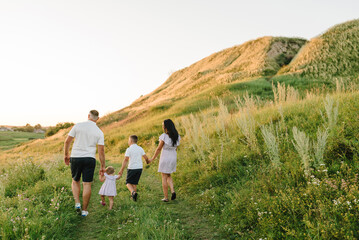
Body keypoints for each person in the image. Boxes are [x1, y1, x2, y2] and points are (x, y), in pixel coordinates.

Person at [64, 110, 106, 217]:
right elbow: (101, 151)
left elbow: (67, 141)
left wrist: (66, 155)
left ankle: (77, 202)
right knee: (87, 184)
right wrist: (102, 166)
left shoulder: (78, 126)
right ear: (98, 119)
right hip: (89, 158)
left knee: (75, 181)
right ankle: (84, 210)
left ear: (88, 116)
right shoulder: (99, 132)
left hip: (76, 157)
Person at [149, 119, 180, 202]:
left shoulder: (164, 136)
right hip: (173, 156)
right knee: (168, 175)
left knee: (164, 177)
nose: (162, 126)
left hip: (165, 156)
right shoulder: (177, 136)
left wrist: (153, 158)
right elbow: (176, 148)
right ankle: (172, 191)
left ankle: (166, 197)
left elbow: (159, 149)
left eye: (163, 125)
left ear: (166, 127)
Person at [118, 135, 150, 201]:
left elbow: (126, 160)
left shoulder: (129, 149)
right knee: (134, 184)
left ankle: (133, 192)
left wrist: (121, 170)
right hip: (139, 168)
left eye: (128, 140)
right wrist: (147, 162)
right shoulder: (140, 148)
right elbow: (146, 158)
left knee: (128, 183)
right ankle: (133, 197)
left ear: (131, 141)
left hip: (132, 168)